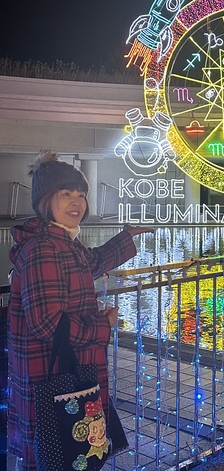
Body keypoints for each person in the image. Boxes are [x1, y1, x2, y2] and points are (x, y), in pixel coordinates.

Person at [7, 150, 153, 471]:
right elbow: (47, 323)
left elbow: (92, 262)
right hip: (53, 374)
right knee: (58, 454)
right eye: (66, 194)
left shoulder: (62, 242)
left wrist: (126, 236)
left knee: (66, 455)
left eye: (81, 195)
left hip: (61, 370)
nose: (77, 202)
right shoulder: (44, 248)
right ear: (45, 200)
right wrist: (102, 327)